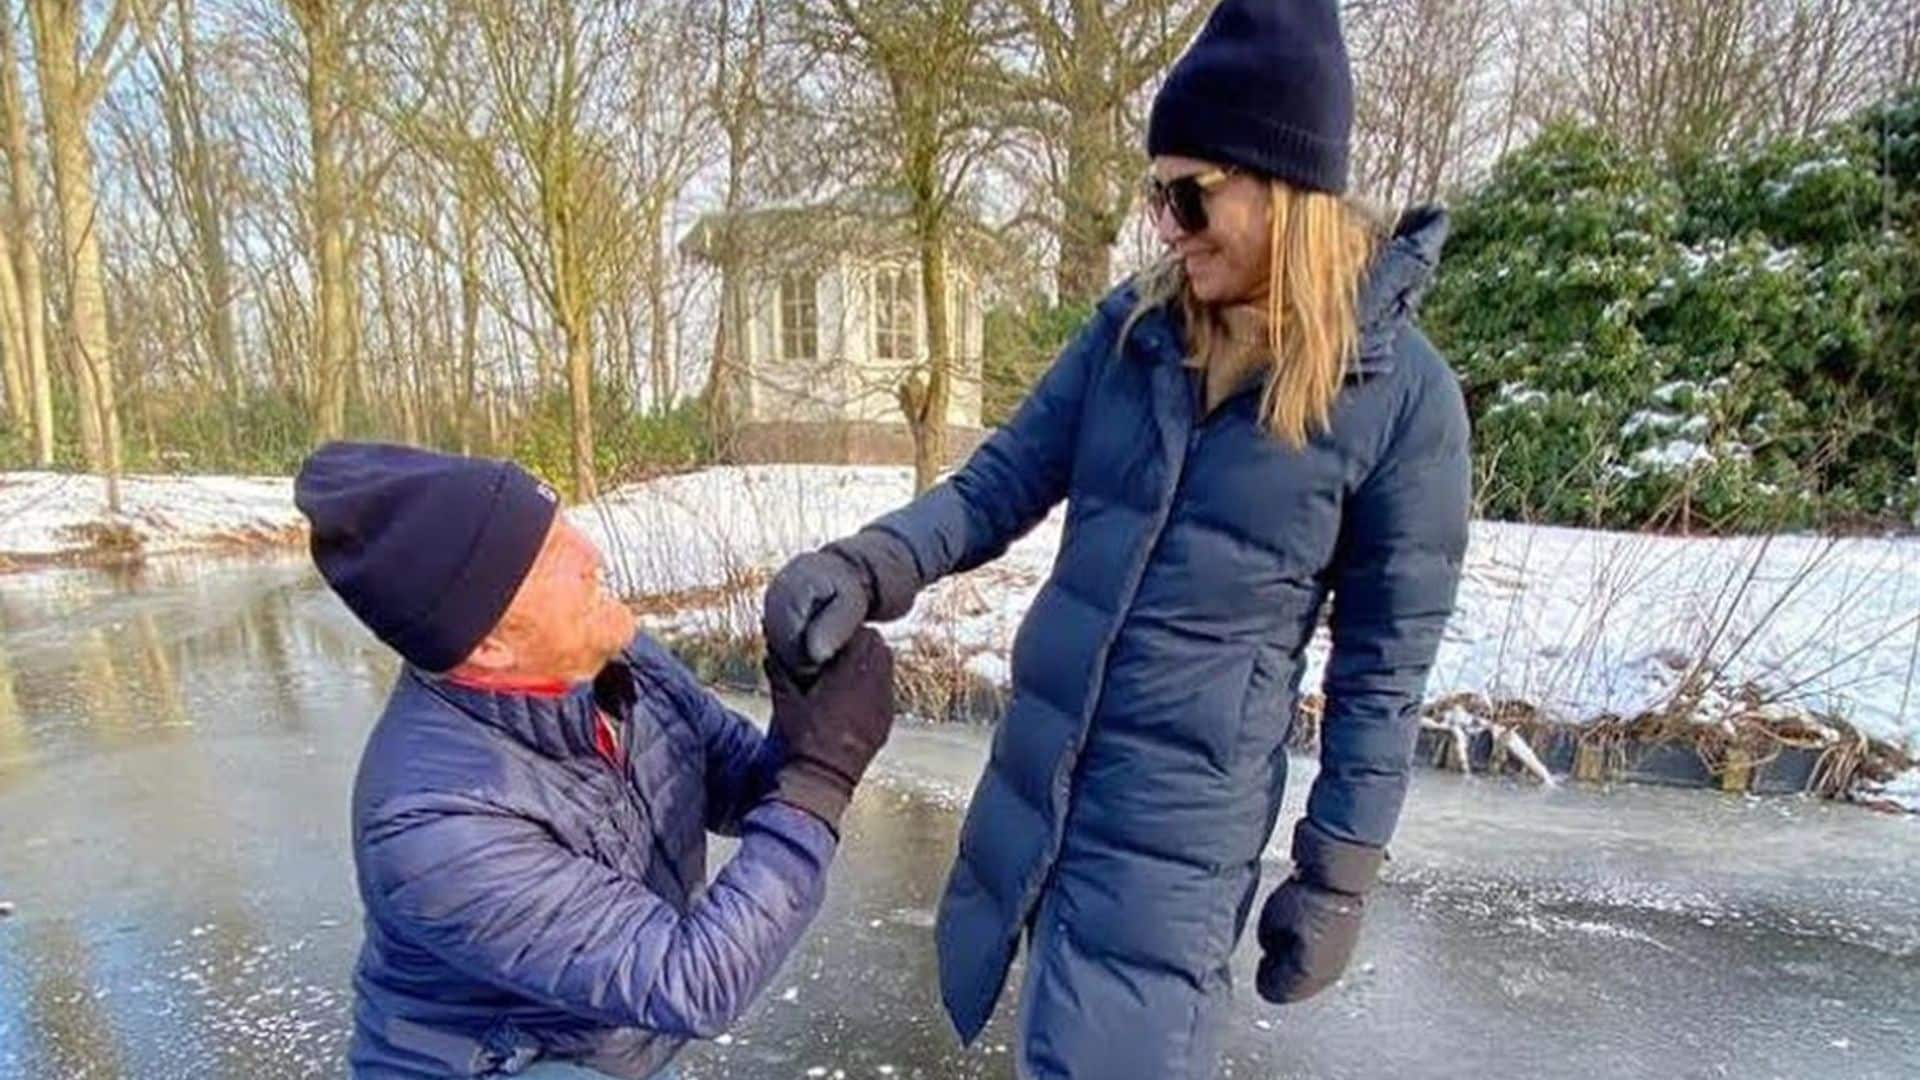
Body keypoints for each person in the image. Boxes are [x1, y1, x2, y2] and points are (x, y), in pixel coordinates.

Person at [761, 2, 1471, 1076]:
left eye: (1191, 196)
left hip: (1176, 836)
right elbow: (998, 483)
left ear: (1284, 189)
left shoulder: (1404, 403)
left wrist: (1338, 870)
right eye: (1156, 196)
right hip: (1043, 774)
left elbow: (1383, 674)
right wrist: (870, 565)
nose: (1169, 226)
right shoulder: (1133, 333)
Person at [297, 442, 894, 1079]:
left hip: (604, 1046)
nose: (591, 554)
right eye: (548, 555)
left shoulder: (609, 653)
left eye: (563, 525)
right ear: (492, 645)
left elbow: (738, 782)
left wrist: (807, 708)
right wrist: (820, 778)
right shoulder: (433, 824)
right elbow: (691, 980)